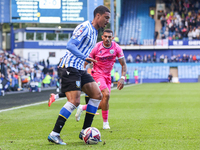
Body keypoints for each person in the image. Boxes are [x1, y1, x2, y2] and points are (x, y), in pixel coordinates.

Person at [47, 5, 110, 145]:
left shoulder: (95, 32)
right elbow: (70, 45)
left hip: (79, 68)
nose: (107, 21)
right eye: (106, 18)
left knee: (97, 95)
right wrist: (84, 58)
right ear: (98, 16)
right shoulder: (85, 27)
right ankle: (54, 134)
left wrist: (85, 61)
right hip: (70, 66)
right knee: (74, 101)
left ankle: (85, 131)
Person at [49, 29, 127, 131]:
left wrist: (122, 78)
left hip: (107, 76)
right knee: (105, 94)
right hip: (97, 74)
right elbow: (86, 61)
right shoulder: (96, 47)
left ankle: (83, 108)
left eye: (109, 37)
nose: (107, 39)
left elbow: (123, 64)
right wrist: (83, 74)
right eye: (105, 36)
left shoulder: (116, 48)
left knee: (104, 100)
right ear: (102, 37)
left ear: (112, 38)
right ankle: (105, 123)